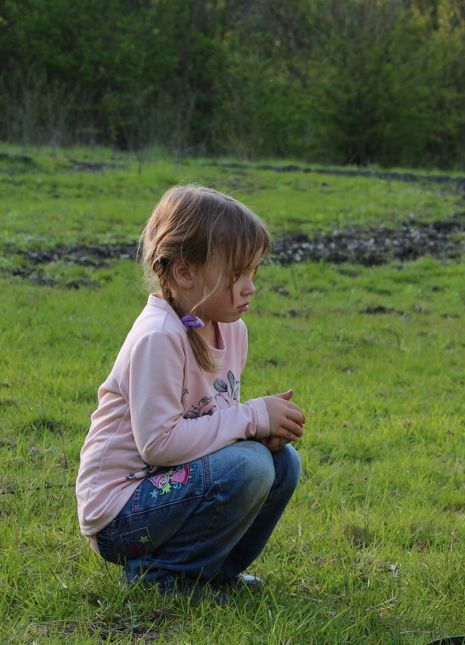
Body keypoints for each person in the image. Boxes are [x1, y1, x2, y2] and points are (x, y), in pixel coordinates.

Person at [75, 185, 306, 594]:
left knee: (282, 462)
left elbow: (211, 424)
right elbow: (159, 446)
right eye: (237, 273)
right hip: (121, 516)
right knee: (249, 465)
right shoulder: (158, 337)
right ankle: (162, 576)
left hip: (168, 490)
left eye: (254, 271)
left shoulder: (233, 330)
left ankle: (214, 573)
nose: (250, 286)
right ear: (184, 272)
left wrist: (253, 431)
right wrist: (251, 418)